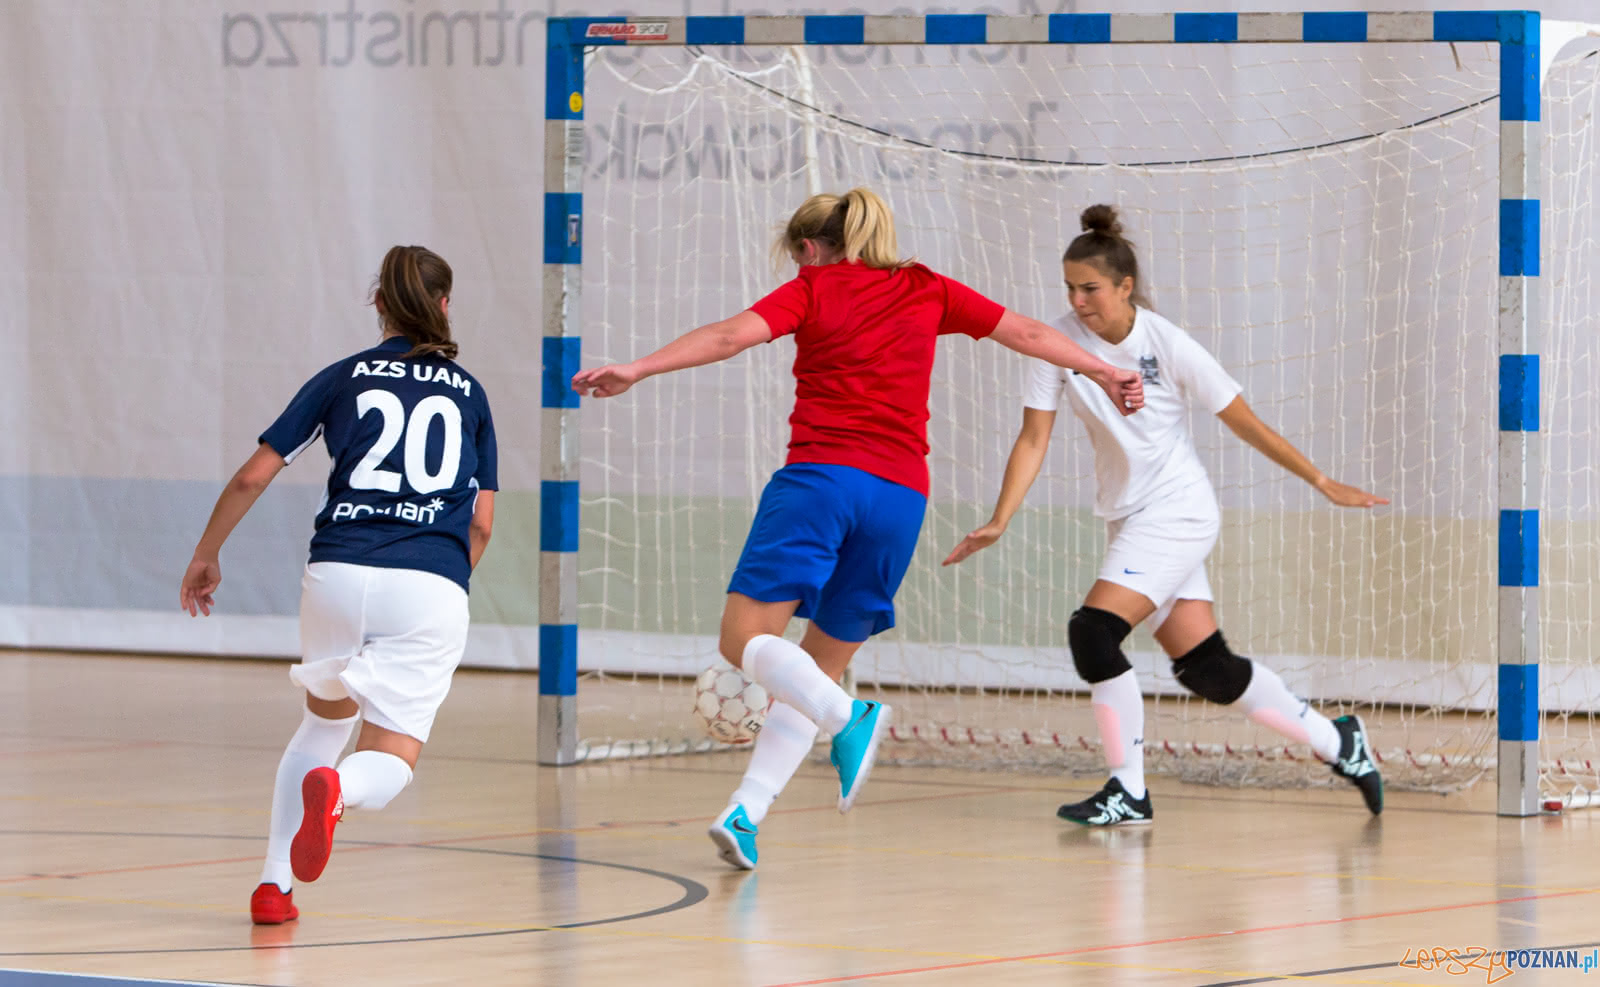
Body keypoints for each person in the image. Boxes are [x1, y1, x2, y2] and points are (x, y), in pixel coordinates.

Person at [572, 187, 1145, 871]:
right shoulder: (924, 287)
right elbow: (1027, 332)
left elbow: (730, 336)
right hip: (902, 498)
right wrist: (1106, 368)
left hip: (822, 483)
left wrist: (637, 366)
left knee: (744, 639)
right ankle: (745, 812)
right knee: (816, 667)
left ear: (809, 250)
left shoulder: (813, 288)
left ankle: (850, 718)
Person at [945, 204, 1387, 825]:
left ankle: (1128, 790)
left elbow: (1245, 422)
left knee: (1092, 631)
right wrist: (1000, 518)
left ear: (1125, 287)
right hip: (1129, 516)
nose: (1078, 299)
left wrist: (1320, 480)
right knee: (1208, 668)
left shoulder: (1168, 344)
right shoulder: (1056, 343)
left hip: (1177, 510)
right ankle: (1342, 743)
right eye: (1069, 287)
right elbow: (1033, 439)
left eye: (1091, 288)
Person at [179, 245, 497, 923]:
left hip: (336, 573)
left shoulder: (342, 377)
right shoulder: (471, 393)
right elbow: (483, 523)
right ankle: (340, 792)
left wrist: (207, 551)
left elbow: (252, 476)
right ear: (444, 305)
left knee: (322, 724)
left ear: (377, 303)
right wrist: (441, 590)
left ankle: (272, 887)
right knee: (390, 757)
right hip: (429, 580)